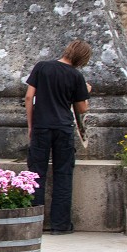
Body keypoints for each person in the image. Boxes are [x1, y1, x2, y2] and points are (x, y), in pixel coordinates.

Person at [25, 39, 93, 235]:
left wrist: (31, 125)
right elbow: (81, 108)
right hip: (63, 128)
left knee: (36, 173)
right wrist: (86, 91)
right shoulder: (76, 76)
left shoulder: (42, 67)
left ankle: (33, 222)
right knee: (63, 175)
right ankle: (60, 225)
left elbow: (29, 97)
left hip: (41, 127)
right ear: (83, 58)